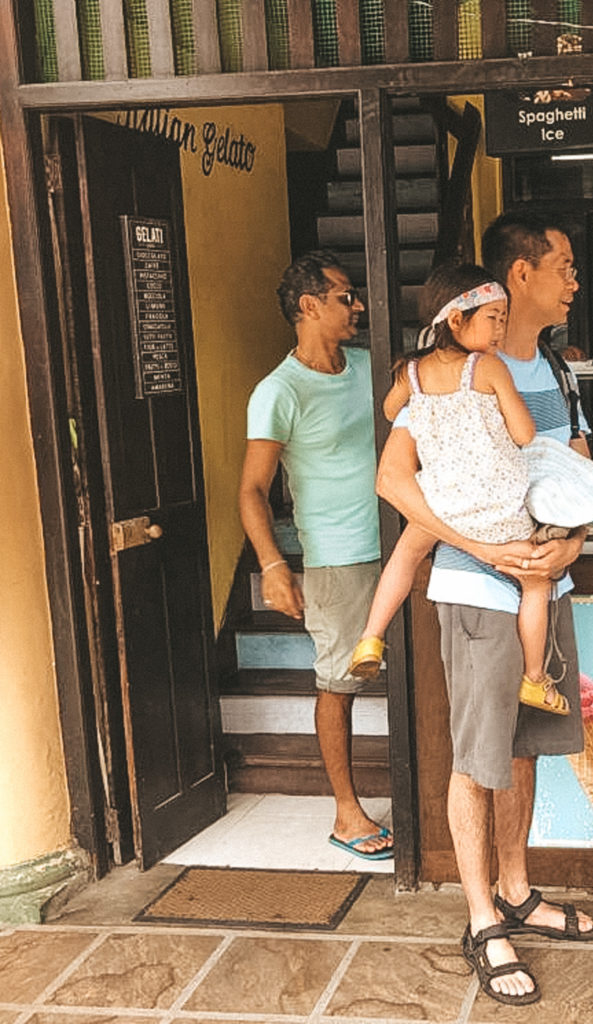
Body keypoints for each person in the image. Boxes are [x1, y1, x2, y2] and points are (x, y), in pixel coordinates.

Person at [376, 212, 593, 1006]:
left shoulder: (556, 371)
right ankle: (482, 920)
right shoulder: (444, 375)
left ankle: (517, 889)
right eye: (565, 264)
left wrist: (568, 546)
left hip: (548, 585)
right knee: (477, 758)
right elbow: (397, 485)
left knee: (525, 746)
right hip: (477, 591)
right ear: (516, 278)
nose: (577, 278)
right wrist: (480, 546)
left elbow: (575, 477)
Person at [349, 262, 568, 715]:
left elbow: (391, 412)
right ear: (455, 319)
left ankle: (371, 637)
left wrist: (415, 392)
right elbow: (526, 434)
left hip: (442, 500)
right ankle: (534, 679)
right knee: (533, 581)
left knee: (405, 556)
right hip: (497, 504)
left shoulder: (411, 373)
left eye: (503, 319)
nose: (500, 330)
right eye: (493, 318)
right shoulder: (485, 368)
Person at [238, 249, 393, 861]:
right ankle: (347, 812)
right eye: (344, 296)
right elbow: (251, 491)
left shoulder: (369, 367)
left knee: (425, 672)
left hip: (406, 543)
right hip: (338, 558)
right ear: (308, 306)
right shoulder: (277, 391)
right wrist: (275, 565)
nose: (356, 306)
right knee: (339, 684)